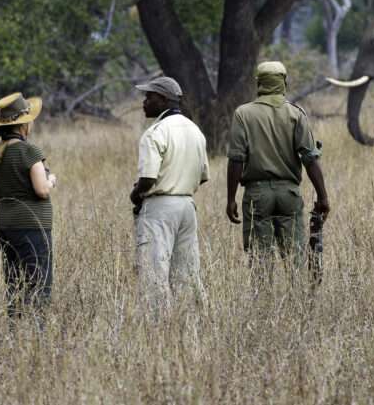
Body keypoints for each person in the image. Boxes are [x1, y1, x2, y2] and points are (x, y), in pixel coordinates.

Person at [225, 61, 330, 270]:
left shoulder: (243, 114)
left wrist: (231, 199)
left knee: (260, 260)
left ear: (259, 83)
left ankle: (264, 300)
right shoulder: (295, 114)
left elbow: (236, 159)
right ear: (284, 82)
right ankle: (297, 300)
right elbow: (310, 159)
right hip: (288, 194)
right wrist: (323, 197)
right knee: (295, 259)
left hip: (257, 194)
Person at [130, 76, 209, 309]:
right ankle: (190, 328)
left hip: (159, 207)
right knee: (186, 274)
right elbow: (203, 175)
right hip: (187, 206)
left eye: (149, 97)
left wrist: (135, 195)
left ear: (163, 99)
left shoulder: (155, 132)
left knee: (154, 273)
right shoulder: (195, 130)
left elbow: (148, 178)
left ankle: (159, 330)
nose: (144, 102)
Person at [0, 93, 58, 318]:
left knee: (13, 281)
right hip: (33, 225)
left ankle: (14, 327)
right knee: (38, 282)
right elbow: (42, 190)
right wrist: (52, 179)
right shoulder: (30, 151)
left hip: (6, 225)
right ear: (23, 124)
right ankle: (36, 332)